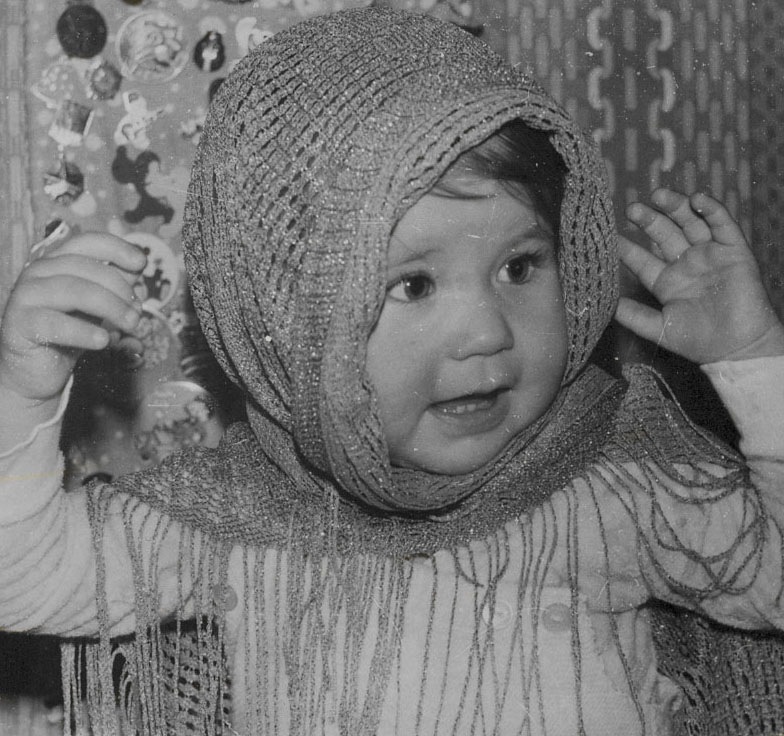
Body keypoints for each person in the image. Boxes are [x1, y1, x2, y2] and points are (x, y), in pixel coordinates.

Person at [1, 7, 784, 735]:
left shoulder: (613, 486)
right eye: (412, 285)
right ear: (286, 322)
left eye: (519, 266)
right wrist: (23, 388)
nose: (487, 332)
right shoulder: (239, 520)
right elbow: (24, 578)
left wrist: (753, 361)